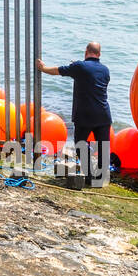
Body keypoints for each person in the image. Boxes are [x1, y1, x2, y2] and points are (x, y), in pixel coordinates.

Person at [38, 42, 112, 186]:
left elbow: (57, 70)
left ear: (86, 51)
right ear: (99, 54)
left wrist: (42, 68)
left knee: (80, 143)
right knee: (103, 147)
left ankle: (90, 176)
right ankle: (101, 178)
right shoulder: (105, 70)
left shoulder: (79, 66)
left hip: (85, 115)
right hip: (103, 114)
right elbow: (91, 79)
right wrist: (77, 67)